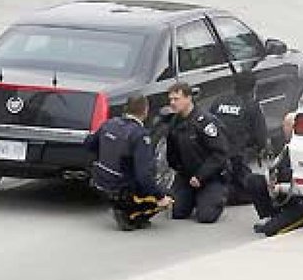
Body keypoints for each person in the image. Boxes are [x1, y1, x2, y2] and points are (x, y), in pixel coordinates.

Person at [84, 95, 174, 231]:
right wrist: (161, 197)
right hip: (122, 189)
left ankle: (121, 206)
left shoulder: (109, 123)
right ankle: (132, 215)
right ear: (145, 110)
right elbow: (144, 176)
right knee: (170, 195)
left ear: (126, 108)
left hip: (100, 183)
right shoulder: (140, 135)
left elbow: (89, 144)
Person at [246, 112, 303, 236]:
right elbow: (273, 167)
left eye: (288, 126)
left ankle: (291, 221)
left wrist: (281, 188)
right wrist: (270, 181)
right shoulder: (288, 147)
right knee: (253, 180)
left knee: (271, 231)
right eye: (284, 125)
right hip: (286, 198)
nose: (285, 129)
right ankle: (272, 216)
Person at [165, 82, 231, 223]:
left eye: (176, 99)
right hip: (187, 176)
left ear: (188, 98)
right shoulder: (174, 123)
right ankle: (192, 197)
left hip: (210, 176)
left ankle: (216, 195)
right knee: (177, 212)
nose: (172, 103)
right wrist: (180, 172)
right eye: (170, 99)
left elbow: (220, 153)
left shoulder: (205, 122)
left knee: (206, 217)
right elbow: (172, 153)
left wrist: (201, 176)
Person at [211, 70, 269, 205]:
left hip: (214, 153)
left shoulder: (219, 100)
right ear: (253, 87)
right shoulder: (251, 105)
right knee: (252, 188)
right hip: (236, 157)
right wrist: (259, 149)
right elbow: (261, 137)